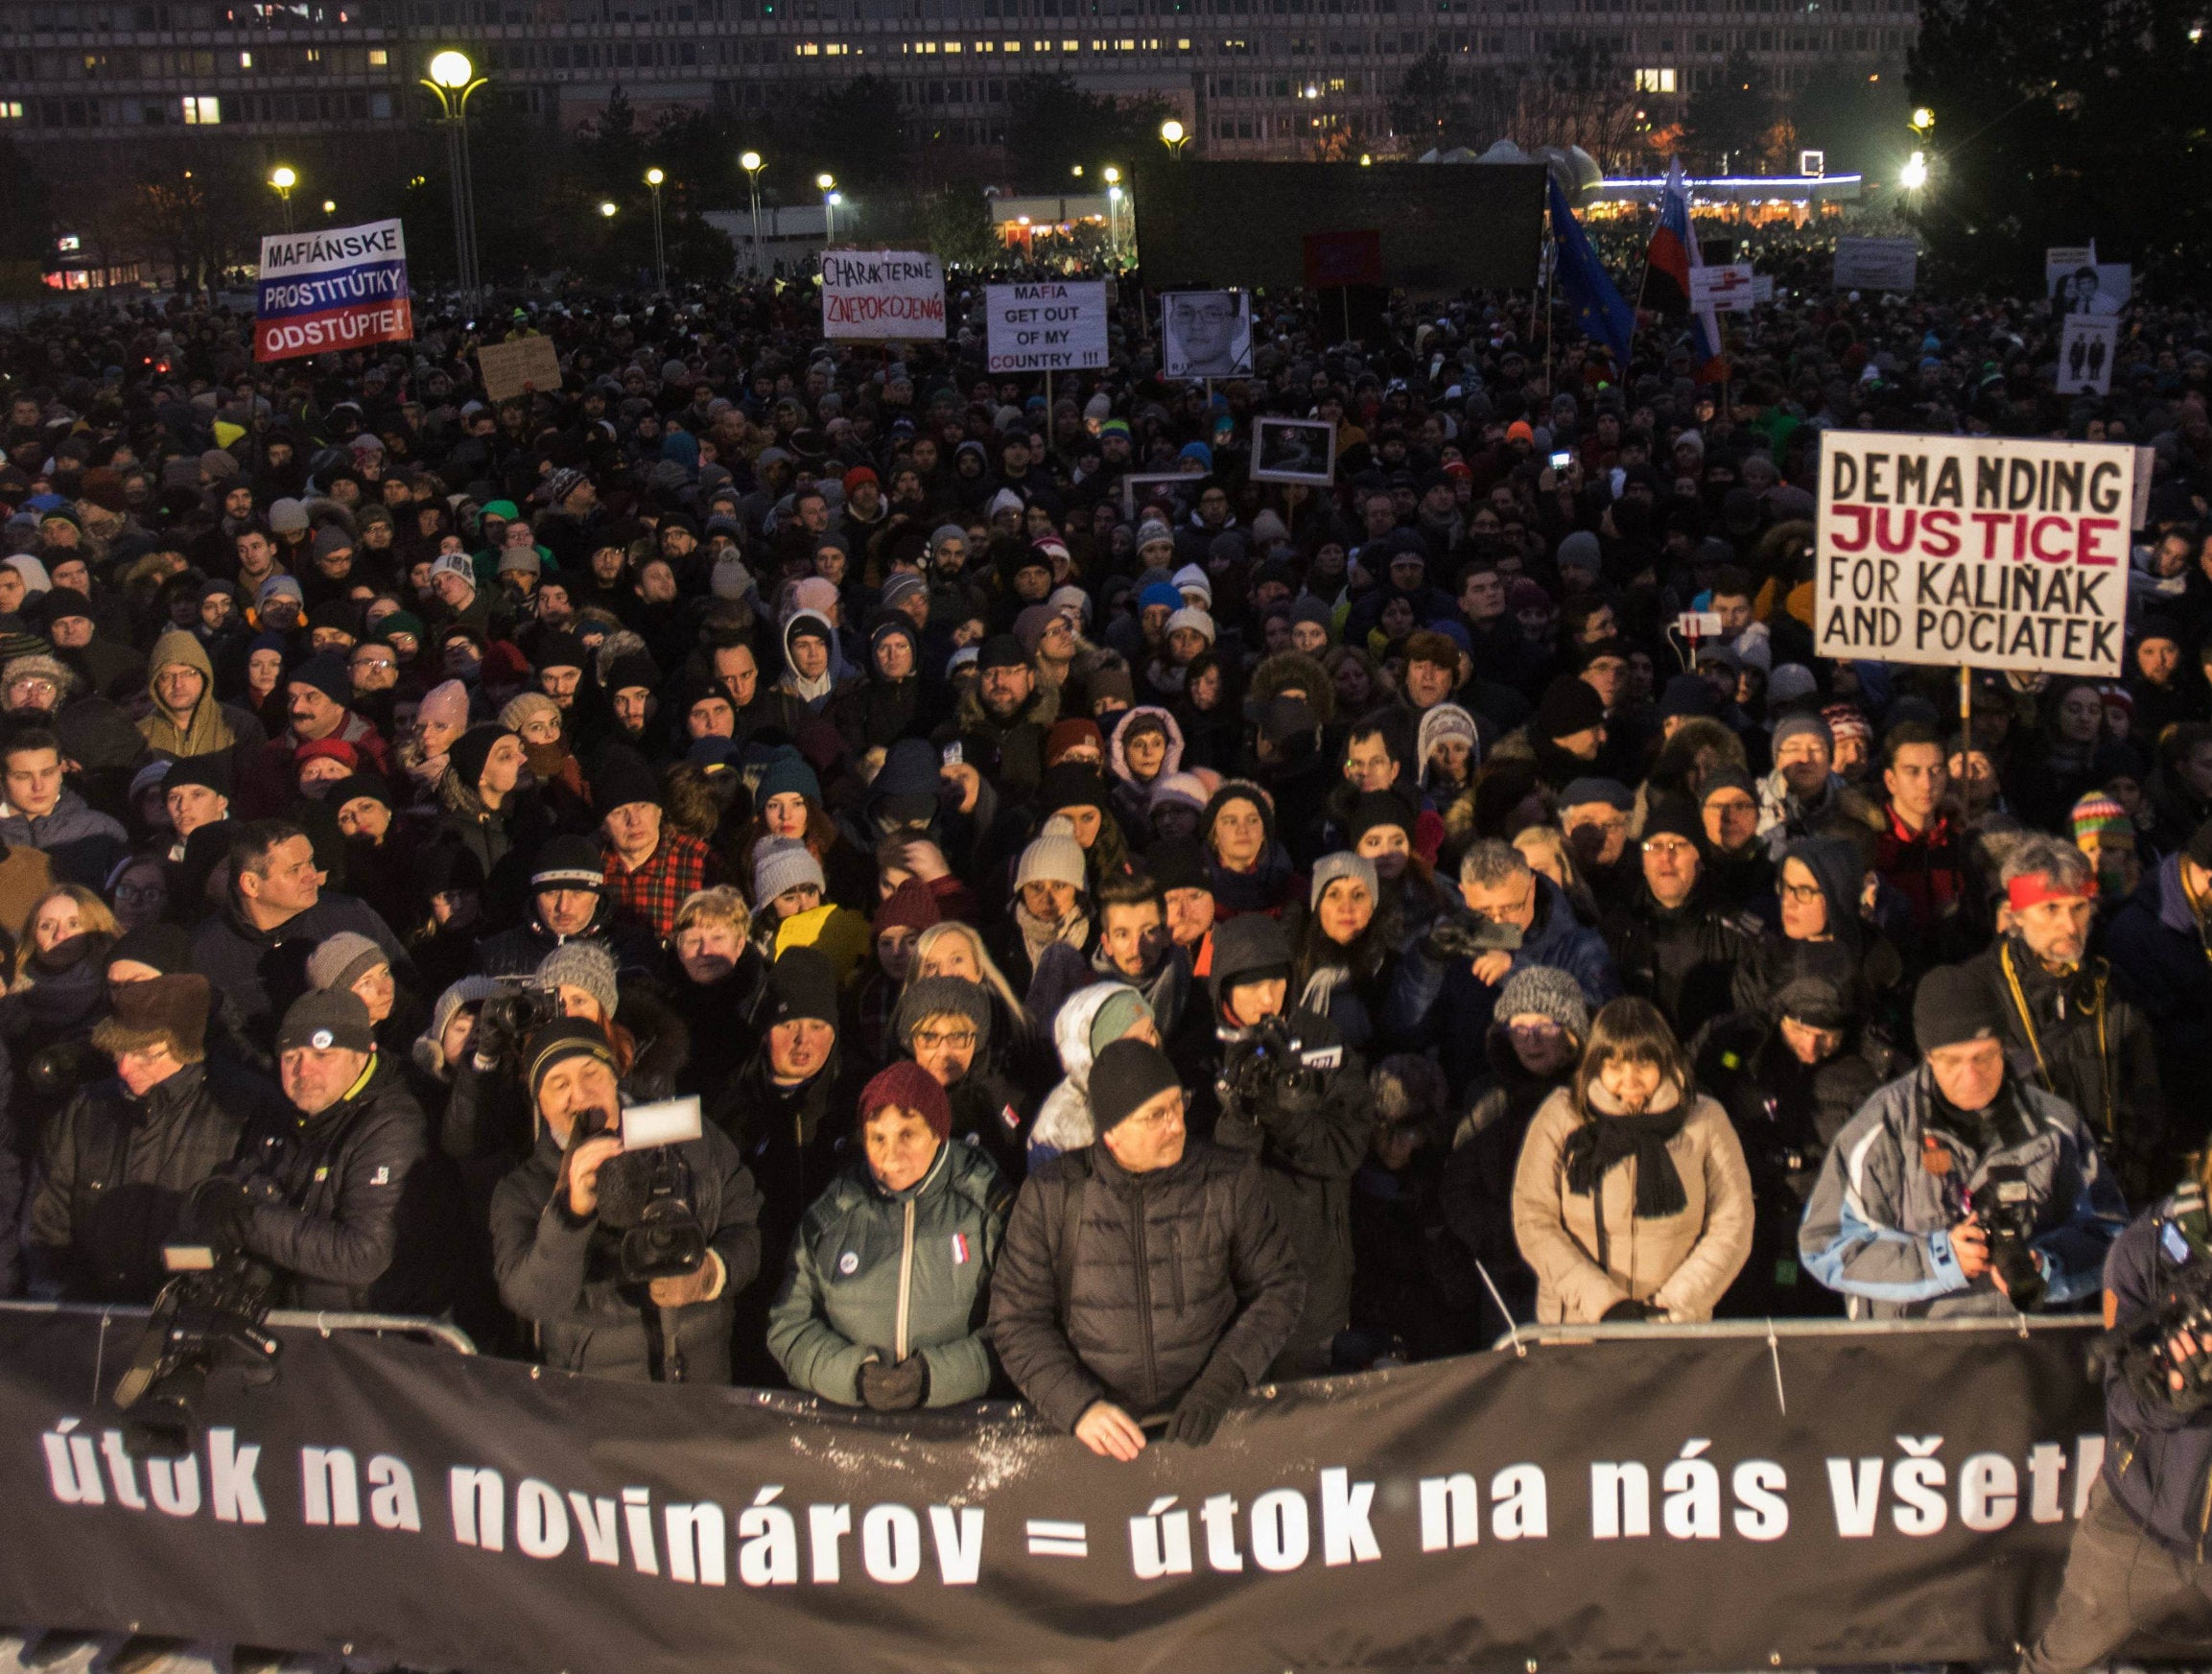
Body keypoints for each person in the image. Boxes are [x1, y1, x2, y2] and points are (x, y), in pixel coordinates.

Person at [989, 1037, 1306, 1456]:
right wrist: (1078, 1407)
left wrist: (1223, 1381)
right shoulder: (1053, 1195)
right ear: (1112, 1132)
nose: (1177, 1125)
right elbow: (1016, 1319)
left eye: (1179, 1105)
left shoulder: (1227, 1180)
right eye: (1156, 1115)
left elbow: (1280, 1286)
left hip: (1212, 1425)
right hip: (1095, 1440)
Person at [1800, 965, 2128, 1318]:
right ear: (1927, 1056)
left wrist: (2048, 1265)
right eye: (1952, 1061)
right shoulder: (1884, 1128)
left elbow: (2109, 1234)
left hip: (2025, 1348)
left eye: (1983, 1056)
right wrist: (1938, 1259)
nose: (1970, 1075)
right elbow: (1826, 1245)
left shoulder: (2054, 1125)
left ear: (2004, 1047)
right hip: (1911, 1353)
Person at [2019, 1153, 2212, 1672]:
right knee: (2057, 1664)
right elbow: (2119, 1397)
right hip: (2136, 1516)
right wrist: (2169, 1398)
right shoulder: (2147, 1248)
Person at [490, 1017, 763, 1383]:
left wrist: (711, 1273)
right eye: (559, 1084)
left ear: (614, 1076)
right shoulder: (522, 1190)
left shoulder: (684, 1133)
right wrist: (569, 1213)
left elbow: (746, 1227)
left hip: (702, 1375)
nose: (580, 1094)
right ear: (539, 1101)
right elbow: (532, 1299)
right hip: (599, 1393)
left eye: (591, 1073)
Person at [767, 1060, 1009, 1408]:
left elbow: (1019, 1330)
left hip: (960, 1424)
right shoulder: (834, 1212)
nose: (891, 1155)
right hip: (856, 1426)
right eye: (877, 1137)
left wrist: (931, 1378)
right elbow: (789, 1326)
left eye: (907, 1135)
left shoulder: (984, 1207)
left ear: (937, 1133)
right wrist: (854, 1376)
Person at [24, 974, 275, 1302]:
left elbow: (261, 1231)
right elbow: (47, 1227)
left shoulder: (243, 1109)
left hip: (196, 1319)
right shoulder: (85, 1111)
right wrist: (66, 1310)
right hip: (93, 1321)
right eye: (118, 1053)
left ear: (185, 1050)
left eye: (145, 1054)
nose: (125, 1068)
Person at [1511, 997, 1753, 1323]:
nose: (1630, 1079)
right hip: (1579, 1327)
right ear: (1596, 1065)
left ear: (1665, 1061)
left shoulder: (1705, 1120)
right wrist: (1604, 1304)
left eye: (1643, 1065)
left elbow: (1733, 1223)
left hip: (1673, 1329)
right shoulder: (1562, 1116)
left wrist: (1671, 1306)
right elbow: (1533, 1220)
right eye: (1614, 1066)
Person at [1209, 912, 1373, 1373]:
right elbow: (1201, 1175)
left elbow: (1348, 1146)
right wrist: (1240, 1113)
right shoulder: (1197, 1055)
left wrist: (1287, 1117)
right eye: (1251, 986)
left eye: (1277, 982)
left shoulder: (1324, 1043)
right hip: (1228, 1284)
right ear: (1223, 990)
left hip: (1314, 1270)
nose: (1267, 998)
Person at [1962, 835, 2165, 1201]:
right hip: (2023, 1196)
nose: (2070, 926)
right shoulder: (1977, 991)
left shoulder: (2113, 988)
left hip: (2112, 1192)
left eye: (2079, 907)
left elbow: (2145, 1098)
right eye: (2051, 909)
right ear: (2017, 915)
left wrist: (2129, 1177)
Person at [231, 988, 444, 1312]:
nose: (303, 1071)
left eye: (322, 1055)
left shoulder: (393, 1124)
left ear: (361, 1056)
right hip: (296, 1322)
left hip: (371, 1335)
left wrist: (250, 1220)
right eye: (291, 1058)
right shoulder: (279, 1113)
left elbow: (363, 1254)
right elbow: (246, 1180)